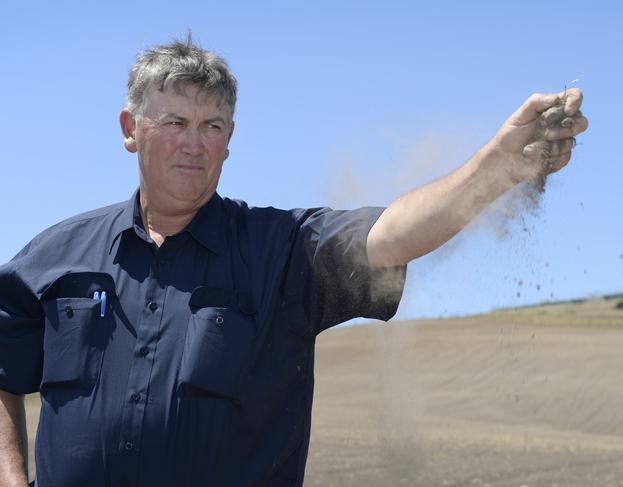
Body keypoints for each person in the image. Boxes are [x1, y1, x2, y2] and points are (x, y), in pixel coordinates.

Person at [0, 37, 588, 487]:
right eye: (174, 122)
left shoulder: (282, 249)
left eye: (212, 126)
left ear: (230, 139)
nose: (193, 142)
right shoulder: (57, 256)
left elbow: (389, 236)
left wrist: (495, 169)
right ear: (131, 130)